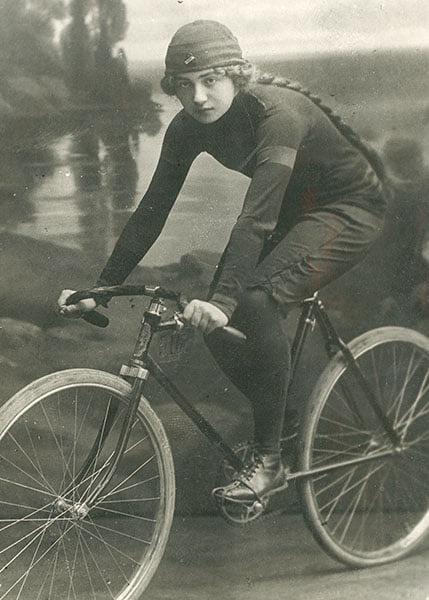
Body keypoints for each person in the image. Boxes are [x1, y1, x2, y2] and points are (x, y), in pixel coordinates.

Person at [58, 20, 387, 506]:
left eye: (211, 80)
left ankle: (271, 461)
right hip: (291, 214)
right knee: (218, 323)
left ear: (236, 76)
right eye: (185, 86)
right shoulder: (188, 127)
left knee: (248, 300)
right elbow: (152, 210)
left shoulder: (279, 115)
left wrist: (224, 300)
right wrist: (101, 286)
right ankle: (286, 424)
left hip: (346, 208)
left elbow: (254, 220)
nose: (200, 97)